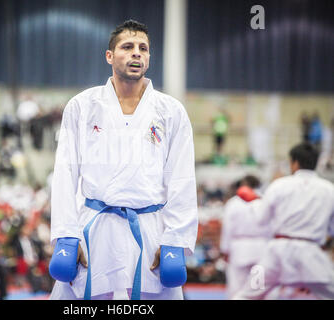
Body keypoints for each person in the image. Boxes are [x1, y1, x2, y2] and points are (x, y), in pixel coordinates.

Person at [49, 20, 198, 300]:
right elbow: (65, 173)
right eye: (127, 47)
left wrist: (175, 239)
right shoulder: (83, 106)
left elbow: (182, 178)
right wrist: (67, 235)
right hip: (95, 229)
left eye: (143, 48)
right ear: (109, 56)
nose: (136, 53)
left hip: (151, 230)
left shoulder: (171, 111)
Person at [234, 142, 334, 299]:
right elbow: (332, 230)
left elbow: (261, 219)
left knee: (247, 294)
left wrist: (254, 201)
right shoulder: (329, 190)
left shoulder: (279, 186)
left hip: (276, 254)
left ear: (294, 163)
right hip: (312, 254)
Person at [220, 175, 272, 299]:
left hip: (239, 248)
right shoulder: (265, 201)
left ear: (243, 184)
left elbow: (228, 228)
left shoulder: (234, 203)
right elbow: (272, 226)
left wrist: (225, 249)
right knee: (258, 288)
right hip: (261, 248)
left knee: (237, 288)